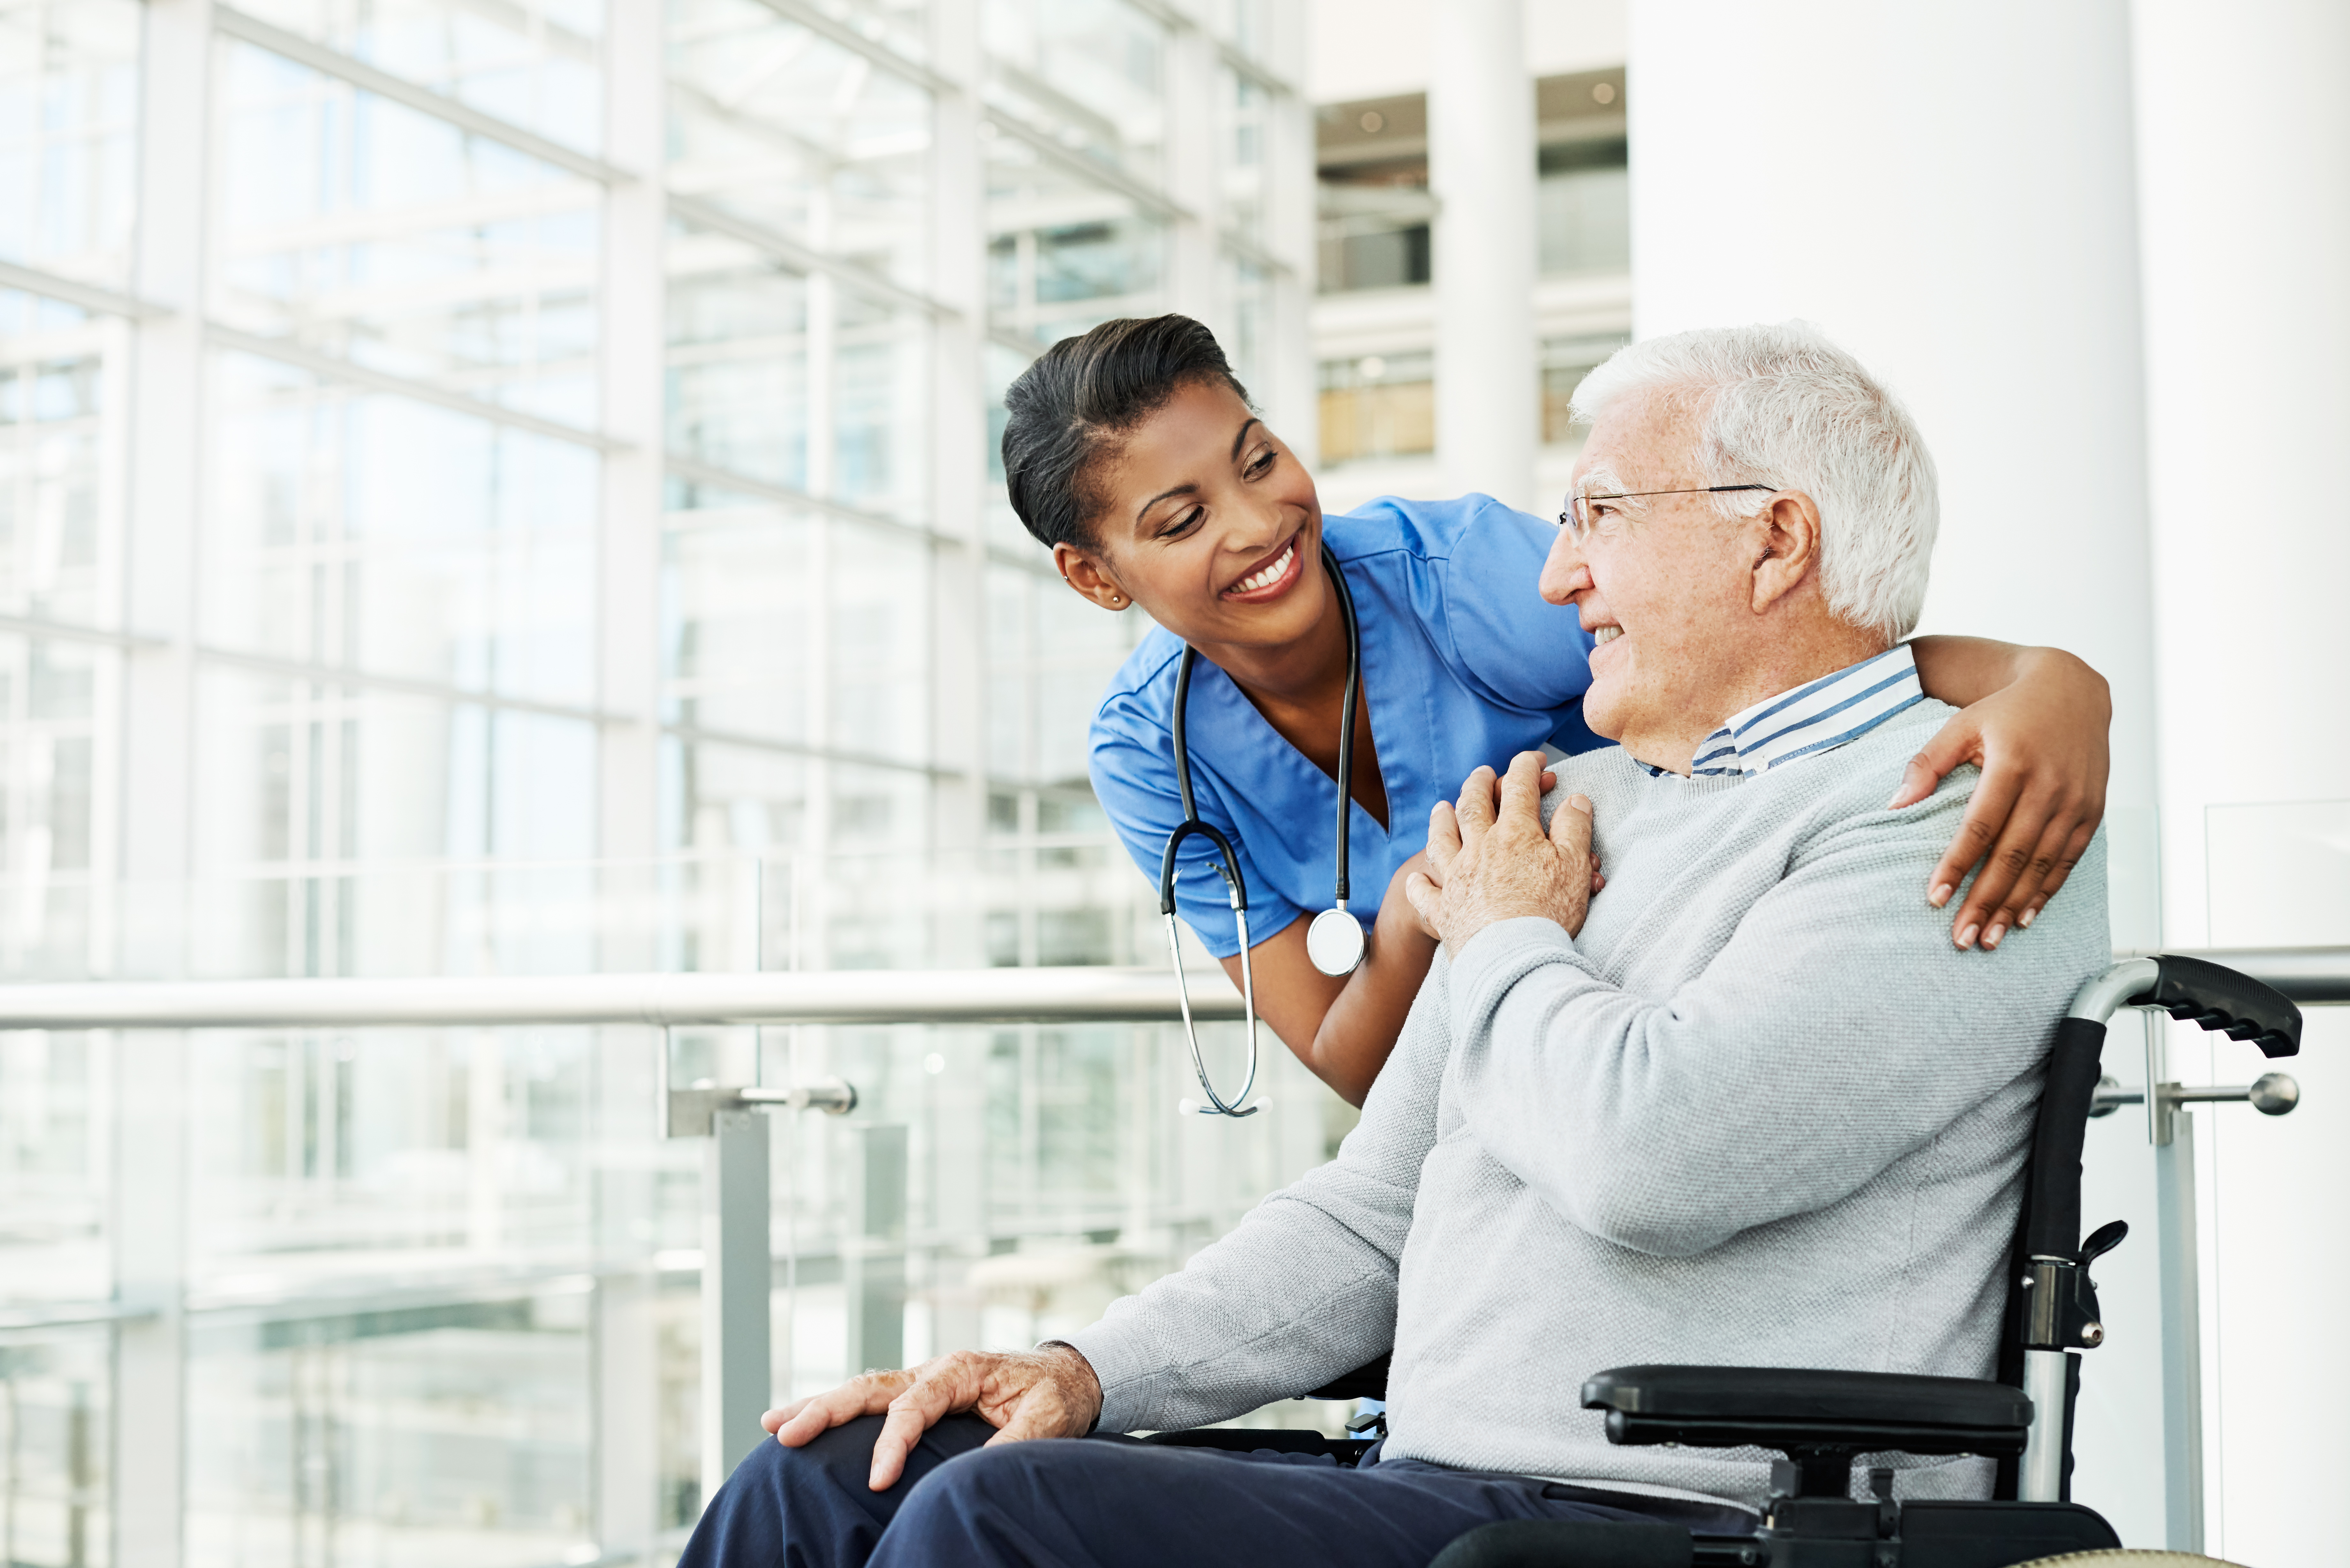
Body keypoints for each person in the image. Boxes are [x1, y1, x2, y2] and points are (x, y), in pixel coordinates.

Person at [674, 322, 2112, 1567]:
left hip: (1666, 1506)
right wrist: (1081, 1370)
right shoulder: (1567, 813)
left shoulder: (1947, 813)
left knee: (1006, 1529)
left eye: (1597, 516)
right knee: (825, 1488)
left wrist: (1492, 936)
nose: (1557, 580)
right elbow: (1374, 1212)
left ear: (1776, 539)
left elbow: (1653, 1158)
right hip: (1434, 1479)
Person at [1006, 315, 2110, 1104]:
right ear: (1096, 577)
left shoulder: (1464, 579)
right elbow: (1349, 1065)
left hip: (1663, 1019)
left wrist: (2044, 681)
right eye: (1181, 518)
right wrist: (1424, 905)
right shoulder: (1151, 752)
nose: (1259, 524)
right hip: (1454, 1106)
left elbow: (1776, 646)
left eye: (1259, 461)